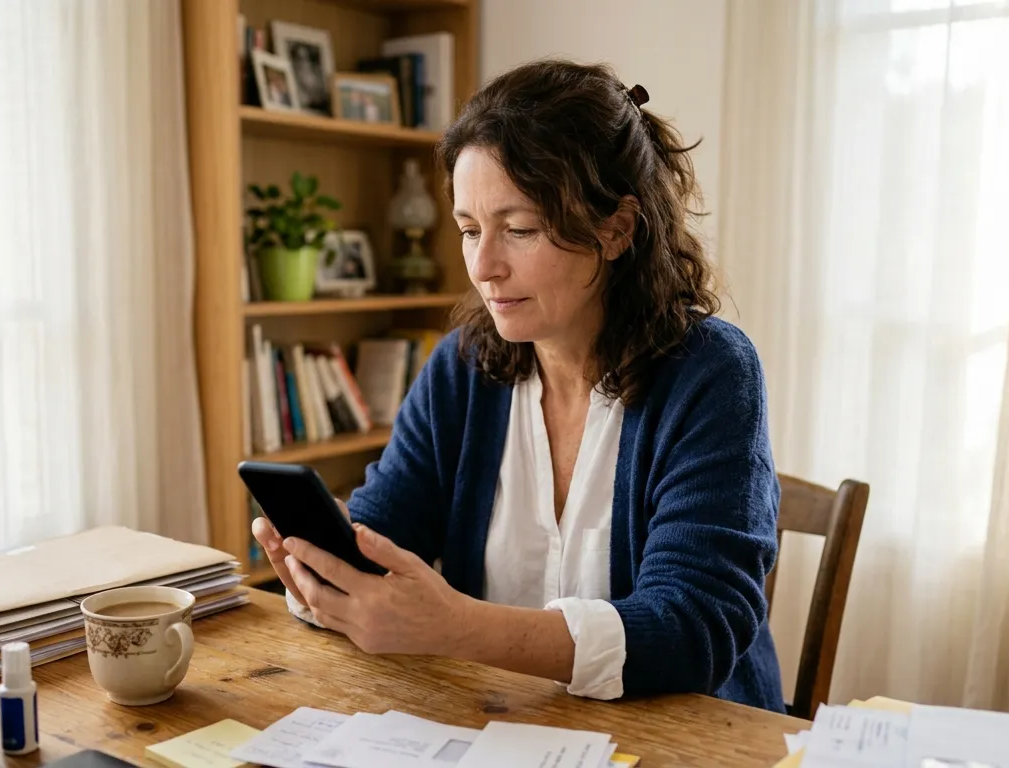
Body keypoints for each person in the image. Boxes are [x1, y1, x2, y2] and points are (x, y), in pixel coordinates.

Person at [252, 58, 784, 712]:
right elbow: (383, 539)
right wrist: (327, 577)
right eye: (470, 230)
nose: (483, 266)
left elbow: (693, 629)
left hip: (688, 737)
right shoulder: (464, 366)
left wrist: (458, 627)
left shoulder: (710, 372)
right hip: (502, 727)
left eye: (520, 230)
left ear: (617, 228)